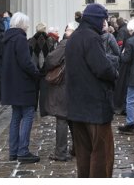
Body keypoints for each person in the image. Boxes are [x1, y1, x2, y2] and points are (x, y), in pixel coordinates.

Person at [65, 3, 120, 177]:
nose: (104, 23)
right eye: (103, 19)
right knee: (101, 154)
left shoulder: (74, 37)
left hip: (76, 106)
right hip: (95, 107)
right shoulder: (91, 37)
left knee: (83, 154)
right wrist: (114, 72)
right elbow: (102, 68)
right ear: (96, 19)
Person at [0, 12, 42, 163]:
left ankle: (14, 151)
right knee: (28, 115)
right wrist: (37, 73)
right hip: (23, 84)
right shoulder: (20, 39)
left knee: (16, 117)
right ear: (22, 24)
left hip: (11, 84)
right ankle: (23, 151)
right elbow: (25, 62)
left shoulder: (7, 39)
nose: (28, 26)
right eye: (27, 24)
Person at [40, 23, 74, 162]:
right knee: (71, 118)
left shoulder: (66, 44)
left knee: (62, 117)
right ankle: (77, 148)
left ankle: (61, 152)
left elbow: (50, 60)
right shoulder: (81, 42)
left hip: (64, 85)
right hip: (75, 85)